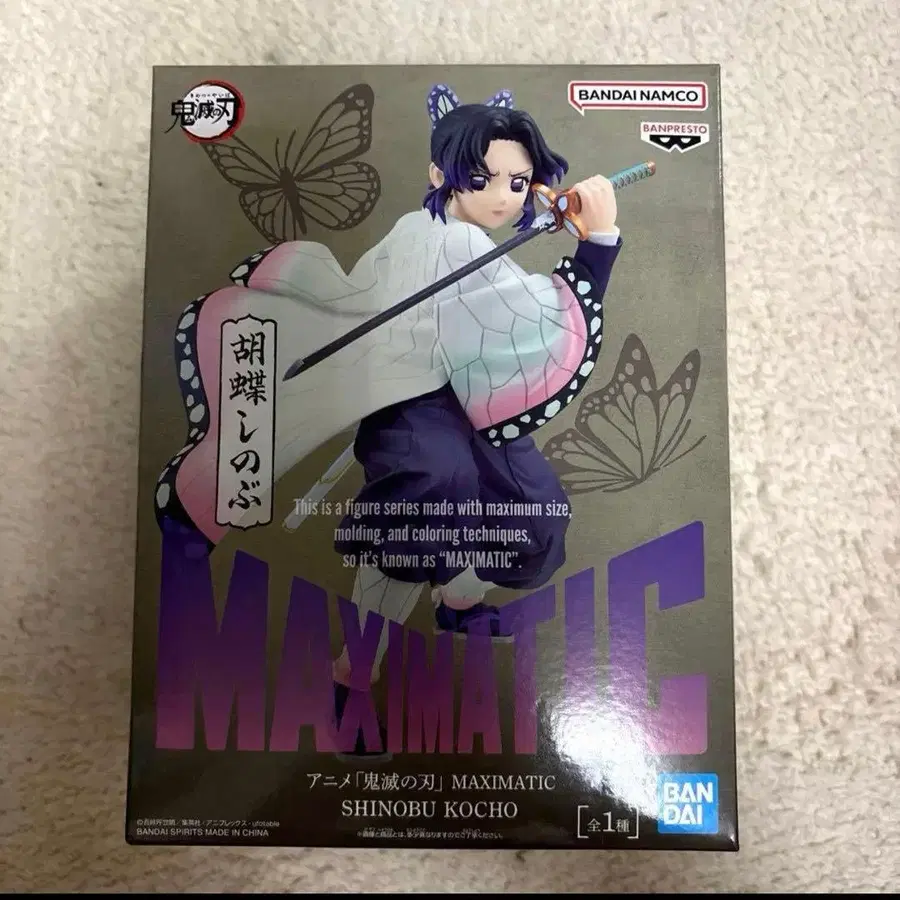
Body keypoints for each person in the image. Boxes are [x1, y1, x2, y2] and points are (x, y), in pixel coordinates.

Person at [153, 84, 624, 760]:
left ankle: (458, 604)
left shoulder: (447, 235)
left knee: (534, 510)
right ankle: (352, 676)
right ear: (439, 174)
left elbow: (495, 321)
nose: (502, 197)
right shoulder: (444, 241)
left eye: (518, 183)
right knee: (425, 506)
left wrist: (555, 218)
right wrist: (597, 245)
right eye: (481, 178)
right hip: (408, 401)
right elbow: (528, 318)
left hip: (465, 393)